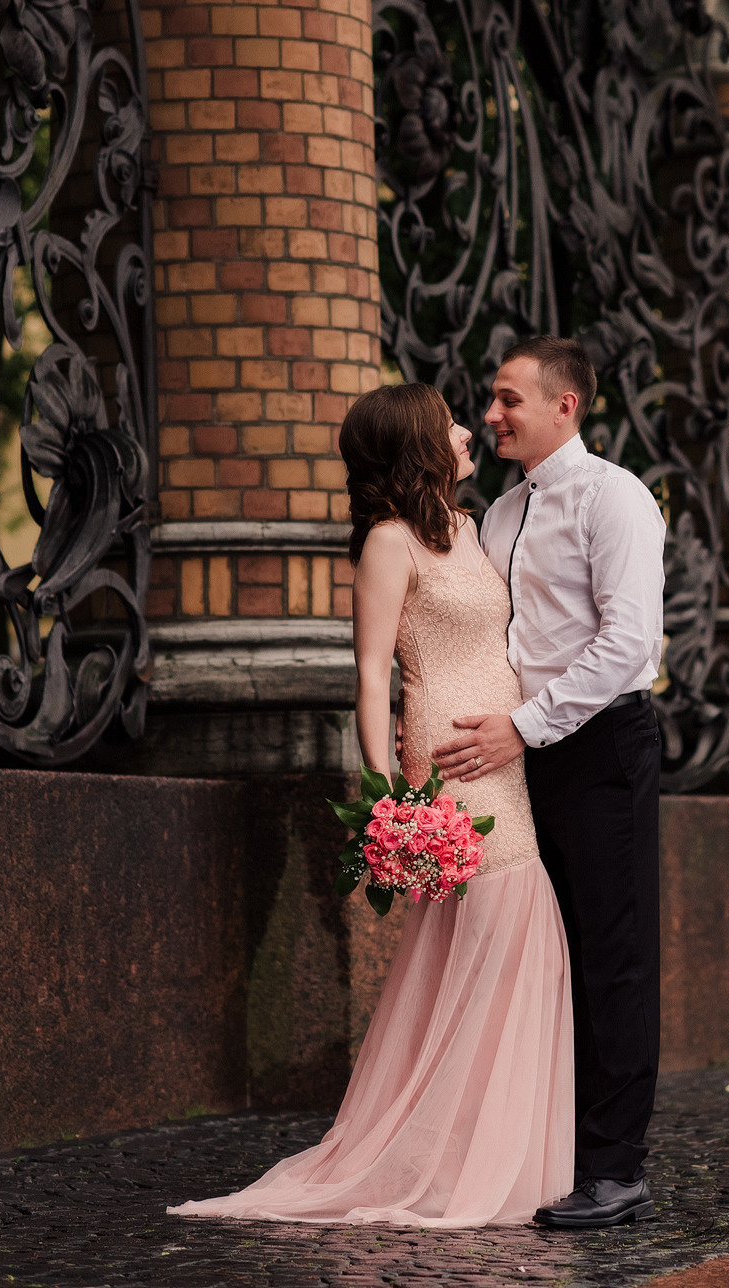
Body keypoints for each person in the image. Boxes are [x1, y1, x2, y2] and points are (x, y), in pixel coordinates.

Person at [169, 382, 573, 1229]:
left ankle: (484, 1149)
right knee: (505, 915)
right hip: (448, 754)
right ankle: (458, 1156)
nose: (469, 429)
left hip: (501, 746)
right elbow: (371, 675)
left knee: (499, 935)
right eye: (450, 422)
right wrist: (393, 793)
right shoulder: (389, 543)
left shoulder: (470, 528)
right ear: (419, 443)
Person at [432, 336, 666, 1230]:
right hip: (521, 755)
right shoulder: (498, 513)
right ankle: (557, 1152)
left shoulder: (617, 499)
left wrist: (521, 728)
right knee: (551, 957)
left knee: (614, 958)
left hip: (602, 747)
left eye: (507, 399)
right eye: (491, 402)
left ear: (565, 406)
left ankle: (618, 1169)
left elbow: (628, 644)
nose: (491, 414)